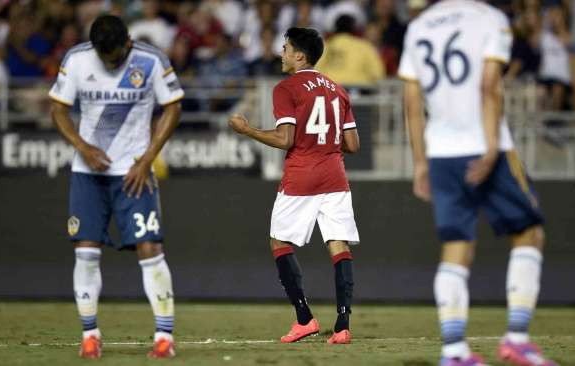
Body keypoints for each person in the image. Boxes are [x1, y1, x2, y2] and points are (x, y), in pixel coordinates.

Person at [399, 1, 557, 365]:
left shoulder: (420, 26)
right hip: (487, 146)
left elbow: (411, 100)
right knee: (529, 232)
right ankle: (516, 338)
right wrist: (489, 148)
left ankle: (453, 351)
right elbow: (489, 86)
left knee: (456, 244)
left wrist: (420, 163)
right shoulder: (490, 18)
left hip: (441, 152)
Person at [48, 15, 183, 359]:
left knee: (151, 249)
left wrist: (147, 159)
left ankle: (164, 338)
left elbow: (173, 106)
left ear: (127, 42)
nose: (113, 63)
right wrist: (83, 147)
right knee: (86, 252)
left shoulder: (150, 60)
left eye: (118, 56)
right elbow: (58, 109)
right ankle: (90, 334)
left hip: (133, 172)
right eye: (106, 59)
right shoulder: (77, 60)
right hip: (88, 174)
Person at [228, 27, 360, 345]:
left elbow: (285, 138)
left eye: (286, 48)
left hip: (302, 176)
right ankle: (342, 326)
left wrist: (247, 130)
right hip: (335, 177)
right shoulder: (337, 89)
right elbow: (353, 144)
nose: (281, 53)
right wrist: (324, 142)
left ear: (300, 55)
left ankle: (304, 318)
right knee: (338, 245)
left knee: (279, 242)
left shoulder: (286, 88)